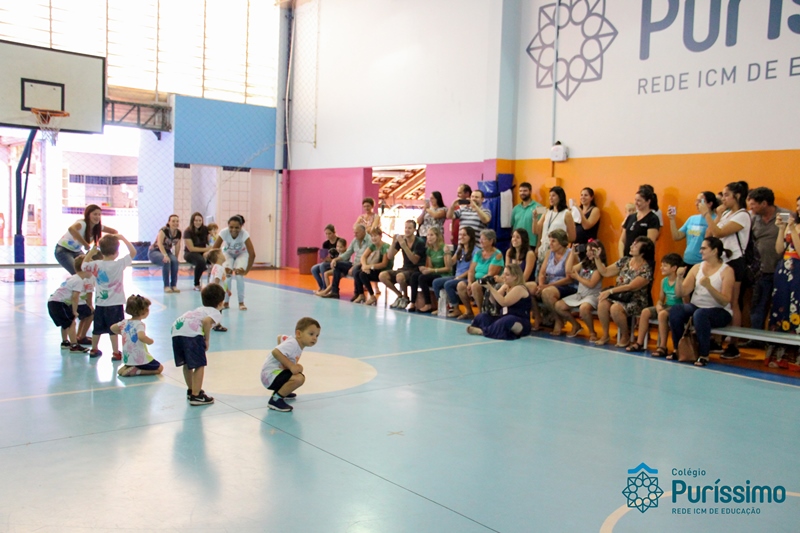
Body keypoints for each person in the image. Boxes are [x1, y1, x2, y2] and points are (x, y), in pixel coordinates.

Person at [700, 181, 750, 359]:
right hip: (722, 261)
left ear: (737, 196)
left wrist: (706, 214)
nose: (723, 199)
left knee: (733, 301)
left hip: (735, 261)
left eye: (727, 195)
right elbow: (710, 235)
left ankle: (733, 344)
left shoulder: (743, 215)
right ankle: (716, 339)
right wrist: (718, 215)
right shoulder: (727, 213)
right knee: (718, 300)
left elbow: (720, 233)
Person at [668, 237, 734, 366]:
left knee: (700, 314)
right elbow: (681, 293)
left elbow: (725, 301)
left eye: (704, 248)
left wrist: (709, 287)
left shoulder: (727, 271)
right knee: (676, 310)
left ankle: (704, 355)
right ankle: (678, 349)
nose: (700, 251)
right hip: (697, 307)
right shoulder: (697, 268)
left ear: (714, 251)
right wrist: (679, 278)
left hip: (720, 311)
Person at [746, 187, 791, 343]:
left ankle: (779, 342)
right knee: (758, 306)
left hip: (783, 271)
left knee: (781, 306)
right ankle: (755, 340)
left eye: (753, 204)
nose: (750, 207)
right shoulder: (753, 218)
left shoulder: (786, 215)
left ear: (764, 203)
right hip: (761, 271)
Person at [82, 234, 136, 359]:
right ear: (117, 252)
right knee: (113, 330)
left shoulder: (96, 264)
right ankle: (115, 352)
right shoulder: (119, 264)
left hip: (100, 303)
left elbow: (83, 265)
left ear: (101, 251)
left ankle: (94, 349)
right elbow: (133, 252)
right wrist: (123, 238)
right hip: (115, 303)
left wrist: (91, 252)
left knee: (97, 329)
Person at [594, 236, 655, 346]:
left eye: (635, 246)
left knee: (615, 308)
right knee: (602, 304)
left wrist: (610, 291)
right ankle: (605, 335)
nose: (631, 246)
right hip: (620, 296)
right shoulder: (625, 261)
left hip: (636, 300)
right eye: (633, 244)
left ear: (643, 252)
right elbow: (605, 272)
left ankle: (625, 336)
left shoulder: (646, 270)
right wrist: (597, 258)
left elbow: (630, 287)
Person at [171, 283, 225, 406]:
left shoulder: (200, 309)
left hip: (176, 331)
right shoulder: (215, 312)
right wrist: (206, 339)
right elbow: (206, 321)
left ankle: (191, 390)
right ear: (221, 303)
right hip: (191, 334)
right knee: (199, 364)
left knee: (187, 363)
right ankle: (196, 395)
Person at [766, 197, 800, 369]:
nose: (799, 209)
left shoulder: (794, 227)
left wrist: (793, 230)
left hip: (798, 270)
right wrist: (781, 229)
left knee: (796, 308)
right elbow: (779, 249)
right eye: (798, 206)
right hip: (784, 269)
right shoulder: (792, 224)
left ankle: (795, 356)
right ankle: (779, 354)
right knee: (781, 307)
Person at [261, 317, 321, 412]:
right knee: (299, 379)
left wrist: (285, 362)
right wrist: (291, 365)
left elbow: (280, 337)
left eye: (317, 335)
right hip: (270, 375)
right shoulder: (293, 344)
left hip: (273, 374)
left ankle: (284, 390)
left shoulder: (294, 342)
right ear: (298, 334)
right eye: (311, 334)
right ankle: (275, 400)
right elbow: (275, 352)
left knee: (298, 370)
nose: (314, 338)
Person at [629, 253, 683, 354]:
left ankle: (662, 346)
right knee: (645, 312)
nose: (661, 268)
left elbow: (685, 300)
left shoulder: (680, 281)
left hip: (677, 307)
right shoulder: (664, 281)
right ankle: (639, 343)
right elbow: (661, 299)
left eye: (665, 266)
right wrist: (658, 305)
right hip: (666, 305)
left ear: (674, 268)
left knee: (662, 314)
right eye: (661, 265)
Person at [554, 239, 606, 340]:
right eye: (587, 251)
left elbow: (591, 284)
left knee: (584, 309)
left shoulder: (601, 266)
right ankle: (575, 324)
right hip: (580, 294)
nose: (588, 253)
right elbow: (569, 270)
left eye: (591, 250)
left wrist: (578, 277)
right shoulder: (584, 263)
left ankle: (592, 332)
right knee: (558, 306)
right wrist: (572, 254)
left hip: (592, 295)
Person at [530, 229, 577, 334]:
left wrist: (547, 286)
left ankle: (558, 320)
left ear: (561, 242)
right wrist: (541, 285)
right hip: (549, 284)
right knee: (529, 288)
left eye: (553, 241)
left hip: (567, 285)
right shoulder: (549, 253)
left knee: (547, 292)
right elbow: (542, 273)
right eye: (550, 241)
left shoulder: (570, 254)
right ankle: (538, 317)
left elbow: (569, 278)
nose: (550, 243)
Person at [467, 264, 532, 340]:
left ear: (515, 277)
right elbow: (493, 300)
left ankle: (483, 331)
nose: (504, 276)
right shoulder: (506, 286)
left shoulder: (519, 288)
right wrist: (489, 288)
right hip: (503, 316)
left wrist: (491, 288)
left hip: (518, 321)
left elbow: (504, 302)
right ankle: (490, 329)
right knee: (483, 316)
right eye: (504, 274)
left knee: (507, 321)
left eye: (507, 275)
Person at [47, 254, 94, 353]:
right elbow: (75, 297)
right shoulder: (79, 281)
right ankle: (74, 345)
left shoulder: (73, 278)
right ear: (85, 268)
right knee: (72, 323)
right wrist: (74, 311)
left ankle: (65, 342)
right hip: (58, 303)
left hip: (54, 302)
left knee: (66, 323)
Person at [54, 204, 118, 275]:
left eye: (99, 214)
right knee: (78, 273)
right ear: (88, 215)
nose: (97, 217)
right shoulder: (82, 224)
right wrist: (85, 244)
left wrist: (107, 243)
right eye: (95, 214)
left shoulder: (98, 227)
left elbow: (114, 232)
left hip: (76, 251)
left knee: (88, 269)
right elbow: (71, 229)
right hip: (63, 250)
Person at [456, 229, 504, 320]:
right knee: (461, 285)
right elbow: (471, 271)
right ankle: (469, 312)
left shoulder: (498, 255)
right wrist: (469, 282)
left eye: (484, 239)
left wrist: (475, 283)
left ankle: (481, 313)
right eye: (480, 239)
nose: (481, 241)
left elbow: (491, 274)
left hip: (490, 280)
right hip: (477, 280)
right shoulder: (478, 253)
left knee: (475, 286)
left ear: (491, 241)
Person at [111, 295, 164, 377]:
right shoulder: (139, 324)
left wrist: (124, 333)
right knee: (160, 368)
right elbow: (141, 337)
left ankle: (127, 367)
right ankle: (137, 371)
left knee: (132, 364)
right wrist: (150, 341)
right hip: (139, 359)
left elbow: (112, 328)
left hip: (127, 358)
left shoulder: (124, 322)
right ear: (144, 311)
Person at [211, 215, 255, 310]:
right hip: (228, 253)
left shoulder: (244, 234)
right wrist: (218, 267)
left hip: (242, 254)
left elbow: (252, 254)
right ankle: (225, 301)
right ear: (228, 226)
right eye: (231, 227)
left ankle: (241, 302)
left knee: (239, 276)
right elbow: (214, 250)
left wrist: (246, 271)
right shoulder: (224, 232)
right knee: (228, 276)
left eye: (237, 227)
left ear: (241, 227)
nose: (234, 230)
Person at [380, 220, 427, 309]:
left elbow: (414, 261)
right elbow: (390, 256)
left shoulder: (419, 243)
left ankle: (405, 297)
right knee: (382, 275)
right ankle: (399, 295)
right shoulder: (402, 241)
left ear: (414, 230)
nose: (407, 230)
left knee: (400, 277)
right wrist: (393, 242)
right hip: (404, 268)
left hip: (415, 269)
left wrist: (404, 246)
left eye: (409, 228)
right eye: (406, 228)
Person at [433, 226, 477, 318]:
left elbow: (472, 269)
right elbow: (451, 263)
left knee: (448, 284)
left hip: (466, 277)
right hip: (457, 276)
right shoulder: (460, 249)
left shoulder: (475, 251)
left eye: (464, 235)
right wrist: (447, 253)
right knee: (436, 282)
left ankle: (456, 308)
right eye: (460, 235)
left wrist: (460, 277)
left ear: (470, 237)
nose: (461, 237)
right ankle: (442, 306)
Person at [668, 192, 719, 270]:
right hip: (687, 260)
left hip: (703, 262)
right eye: (696, 201)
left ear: (710, 204)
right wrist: (672, 219)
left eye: (700, 201)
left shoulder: (716, 219)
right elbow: (677, 236)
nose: (696, 204)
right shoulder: (692, 218)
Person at [320, 225, 370, 300]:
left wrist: (354, 266)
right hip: (354, 264)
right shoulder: (355, 240)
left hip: (364, 264)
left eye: (357, 233)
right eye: (354, 232)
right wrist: (336, 260)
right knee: (337, 265)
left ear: (363, 232)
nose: (355, 234)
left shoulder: (369, 240)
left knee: (356, 270)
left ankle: (358, 293)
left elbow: (370, 257)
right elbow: (347, 253)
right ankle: (334, 292)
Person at [409, 226, 450, 313]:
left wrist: (431, 271)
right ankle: (412, 302)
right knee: (415, 275)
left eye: (432, 235)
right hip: (434, 273)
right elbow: (430, 267)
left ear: (437, 236)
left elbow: (448, 268)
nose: (429, 237)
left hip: (443, 274)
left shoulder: (444, 248)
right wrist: (425, 269)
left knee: (422, 278)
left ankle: (428, 304)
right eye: (428, 235)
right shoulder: (429, 250)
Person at [536, 186, 576, 274]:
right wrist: (534, 218)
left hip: (556, 250)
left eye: (553, 195)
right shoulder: (546, 211)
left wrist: (559, 241)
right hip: (543, 249)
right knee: (540, 276)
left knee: (552, 276)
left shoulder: (566, 213)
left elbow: (572, 237)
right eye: (549, 196)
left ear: (560, 197)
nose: (550, 198)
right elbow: (536, 230)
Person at [619, 185, 660, 258]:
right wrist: (622, 258)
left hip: (641, 260)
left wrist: (636, 259)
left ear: (648, 202)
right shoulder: (630, 217)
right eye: (635, 200)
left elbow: (649, 243)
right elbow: (622, 241)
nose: (636, 203)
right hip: (627, 258)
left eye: (639, 201)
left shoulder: (653, 219)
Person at [148, 214, 183, 293]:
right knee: (166, 261)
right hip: (155, 251)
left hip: (167, 251)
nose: (175, 223)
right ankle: (166, 286)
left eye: (177, 221)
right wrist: (165, 255)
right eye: (173, 221)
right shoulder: (163, 230)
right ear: (169, 222)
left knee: (174, 261)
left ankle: (173, 285)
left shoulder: (179, 233)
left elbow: (178, 246)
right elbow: (160, 243)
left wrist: (176, 257)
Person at [356, 228, 391, 305]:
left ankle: (372, 296)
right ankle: (361, 294)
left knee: (362, 274)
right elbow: (363, 257)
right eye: (372, 236)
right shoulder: (373, 246)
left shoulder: (386, 247)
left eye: (375, 236)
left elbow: (384, 264)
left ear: (380, 236)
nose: (373, 238)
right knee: (357, 272)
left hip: (384, 271)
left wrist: (369, 267)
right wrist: (364, 266)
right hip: (374, 269)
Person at [510, 182, 543, 249]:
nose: (522, 193)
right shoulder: (515, 208)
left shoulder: (540, 207)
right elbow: (512, 226)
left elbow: (542, 229)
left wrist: (538, 246)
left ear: (530, 191)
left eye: (525, 191)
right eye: (520, 191)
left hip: (531, 244)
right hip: (517, 244)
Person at [183, 212, 211, 291]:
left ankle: (213, 281)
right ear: (192, 221)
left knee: (216, 259)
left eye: (200, 220)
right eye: (196, 220)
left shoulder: (205, 229)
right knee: (201, 261)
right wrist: (207, 249)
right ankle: (196, 284)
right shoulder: (187, 231)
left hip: (203, 252)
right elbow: (191, 248)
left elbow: (210, 242)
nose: (198, 222)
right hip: (190, 253)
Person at [206, 249, 230, 332]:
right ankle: (216, 324)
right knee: (218, 309)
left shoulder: (216, 267)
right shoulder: (219, 268)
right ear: (218, 256)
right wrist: (216, 290)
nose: (224, 255)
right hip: (217, 292)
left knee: (215, 308)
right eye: (222, 254)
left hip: (215, 290)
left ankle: (214, 323)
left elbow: (223, 280)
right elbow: (217, 279)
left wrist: (227, 290)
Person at [311, 224, 339, 291]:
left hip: (337, 262)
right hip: (328, 262)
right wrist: (324, 258)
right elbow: (323, 257)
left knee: (322, 266)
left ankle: (325, 287)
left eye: (329, 233)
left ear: (334, 233)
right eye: (326, 234)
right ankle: (321, 286)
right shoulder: (325, 243)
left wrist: (331, 260)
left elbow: (343, 254)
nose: (328, 236)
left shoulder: (339, 241)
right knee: (314, 269)